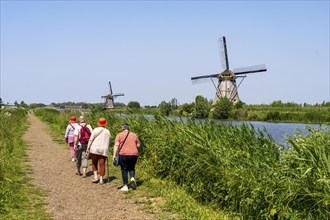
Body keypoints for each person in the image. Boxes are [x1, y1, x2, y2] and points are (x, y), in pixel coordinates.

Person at [113, 123, 140, 191]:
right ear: (128, 128)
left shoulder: (119, 135)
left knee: (124, 169)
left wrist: (114, 155)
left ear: (122, 128)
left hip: (123, 154)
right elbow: (138, 145)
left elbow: (116, 145)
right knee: (131, 167)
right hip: (134, 154)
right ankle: (132, 178)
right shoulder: (134, 135)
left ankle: (125, 186)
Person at [86, 118, 111, 185]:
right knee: (102, 164)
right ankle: (101, 179)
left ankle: (95, 176)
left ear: (99, 123)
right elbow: (109, 141)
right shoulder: (107, 131)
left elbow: (91, 139)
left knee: (94, 162)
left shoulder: (95, 130)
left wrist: (88, 148)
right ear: (105, 123)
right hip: (104, 149)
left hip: (95, 148)